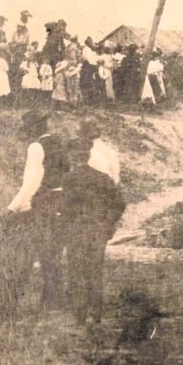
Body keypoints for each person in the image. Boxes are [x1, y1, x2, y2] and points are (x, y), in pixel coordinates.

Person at [6, 110, 71, 310]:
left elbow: (32, 182)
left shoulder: (36, 146)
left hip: (46, 202)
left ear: (32, 131)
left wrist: (12, 207)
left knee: (43, 250)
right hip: (63, 200)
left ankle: (50, 301)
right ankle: (53, 299)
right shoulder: (58, 142)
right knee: (53, 252)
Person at [59, 137, 125, 323]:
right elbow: (119, 203)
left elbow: (65, 209)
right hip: (98, 231)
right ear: (87, 156)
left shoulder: (69, 179)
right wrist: (108, 225)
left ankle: (79, 315)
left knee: (77, 270)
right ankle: (96, 314)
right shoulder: (103, 178)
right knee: (95, 270)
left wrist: (64, 227)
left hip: (77, 231)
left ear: (73, 157)